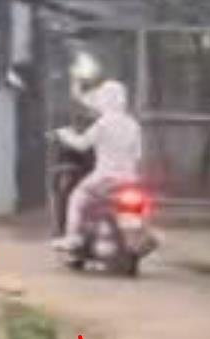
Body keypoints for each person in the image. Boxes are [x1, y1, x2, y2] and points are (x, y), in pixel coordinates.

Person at [53, 80, 143, 249]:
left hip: (105, 176)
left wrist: (64, 135)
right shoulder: (133, 125)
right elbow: (137, 155)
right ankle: (137, 236)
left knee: (77, 197)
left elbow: (81, 144)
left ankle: (73, 238)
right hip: (130, 178)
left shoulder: (103, 123)